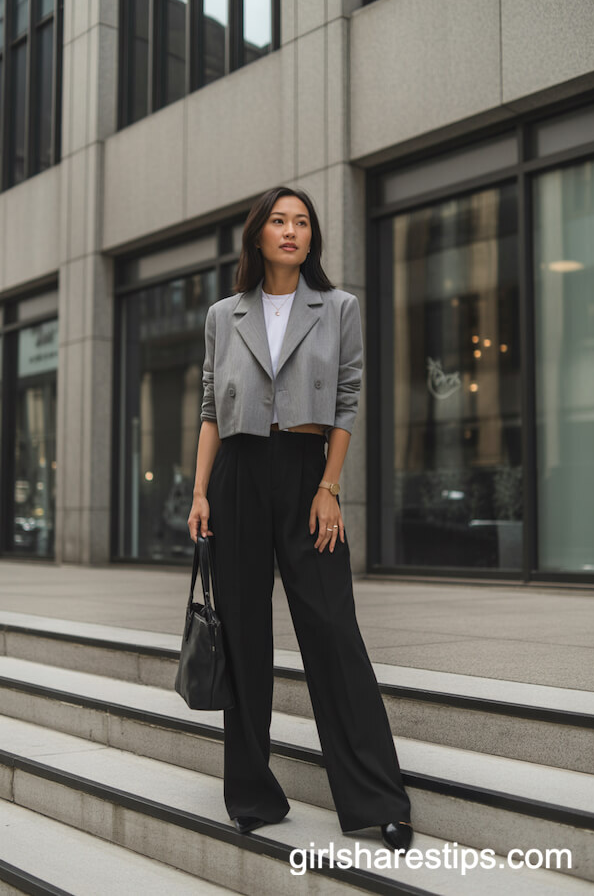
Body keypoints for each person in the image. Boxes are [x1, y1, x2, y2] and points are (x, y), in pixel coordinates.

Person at [187, 186, 413, 853]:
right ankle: (252, 794)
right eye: (279, 221)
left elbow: (346, 401)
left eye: (302, 222)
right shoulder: (223, 315)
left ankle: (378, 798)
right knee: (244, 637)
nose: (291, 231)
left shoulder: (339, 308)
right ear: (258, 236)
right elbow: (208, 408)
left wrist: (330, 487)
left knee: (333, 630)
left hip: (306, 472)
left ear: (312, 238)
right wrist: (199, 492)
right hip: (235, 477)